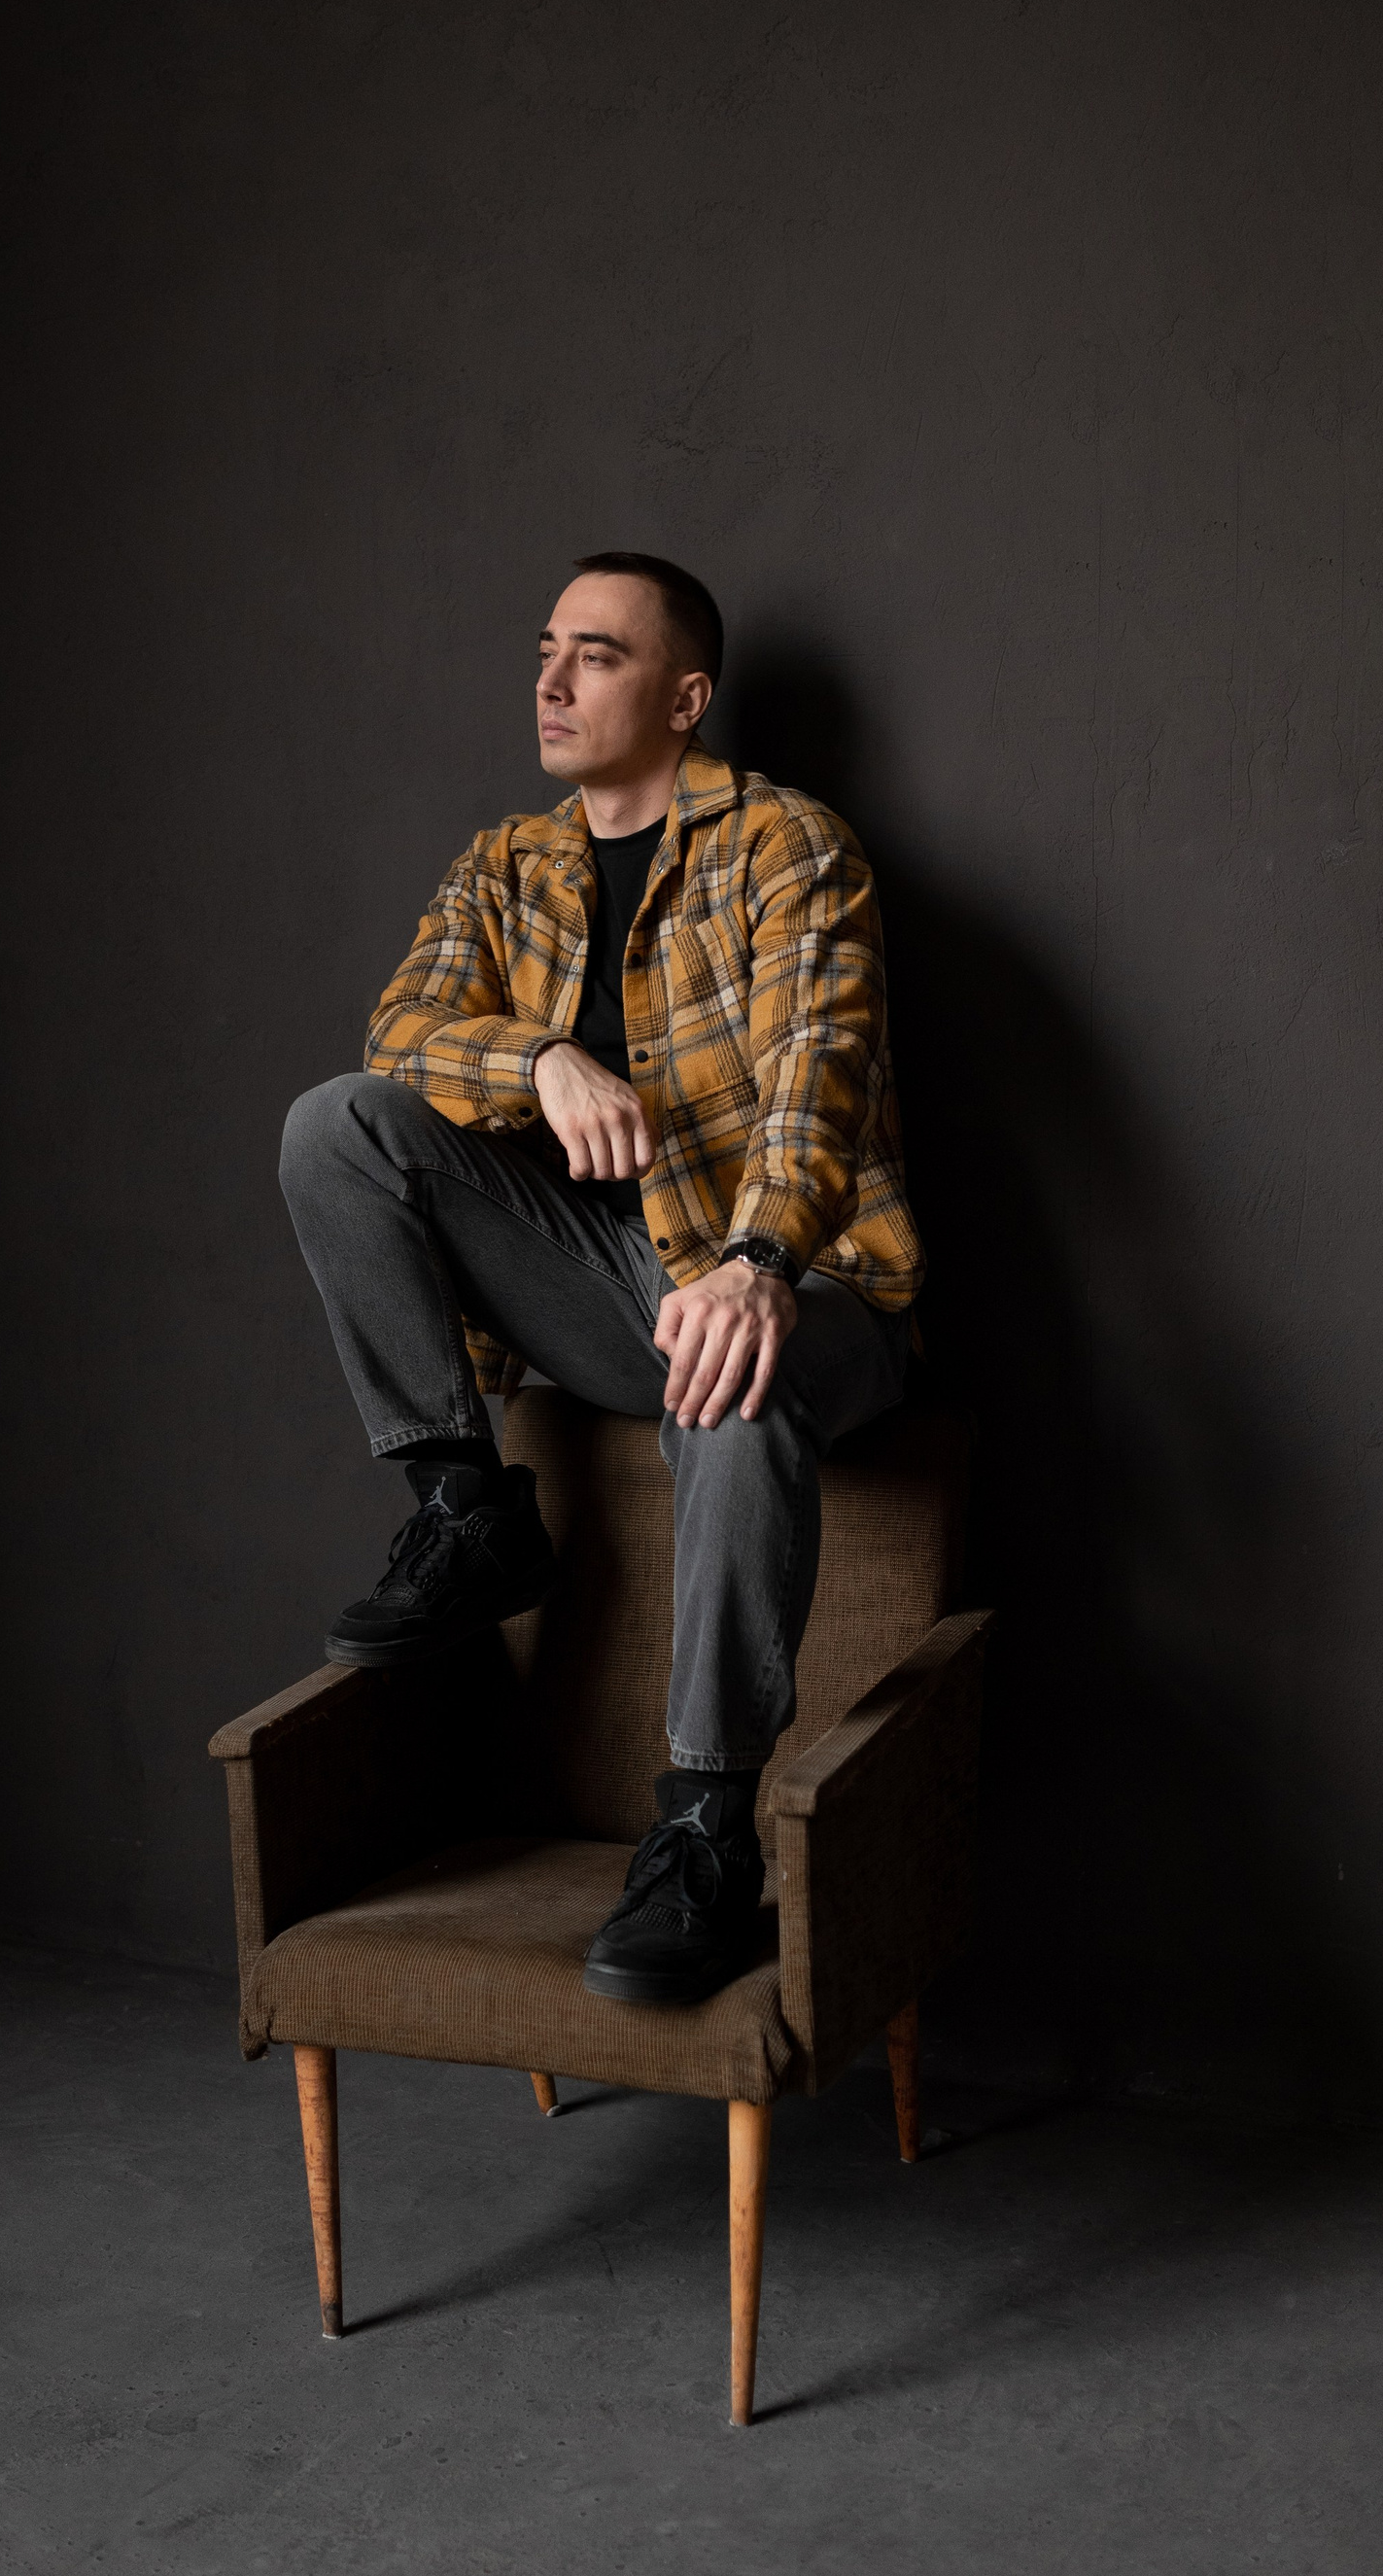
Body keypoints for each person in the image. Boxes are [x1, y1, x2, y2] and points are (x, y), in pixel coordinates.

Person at [279, 553, 922, 2007]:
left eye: (598, 655)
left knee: (735, 1380)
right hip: (609, 1284)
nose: (552, 682)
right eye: (546, 651)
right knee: (338, 1124)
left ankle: (703, 1833)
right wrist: (544, 1059)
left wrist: (757, 1261)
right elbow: (403, 1031)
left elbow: (818, 1080)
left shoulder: (786, 847)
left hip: (813, 1285)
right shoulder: (507, 867)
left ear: (685, 699)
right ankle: (468, 1508)